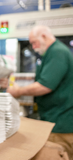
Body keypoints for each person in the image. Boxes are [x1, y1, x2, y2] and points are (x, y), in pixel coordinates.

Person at [7, 25, 73, 160]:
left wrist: (18, 91)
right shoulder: (50, 54)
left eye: (34, 42)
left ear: (44, 36)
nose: (33, 46)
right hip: (54, 118)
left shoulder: (57, 52)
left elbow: (45, 85)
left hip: (61, 122)